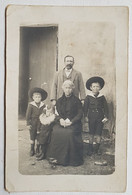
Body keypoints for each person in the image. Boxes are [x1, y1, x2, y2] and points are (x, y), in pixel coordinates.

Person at [47, 80, 84, 167]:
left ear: (72, 89)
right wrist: (60, 120)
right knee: (56, 131)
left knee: (69, 133)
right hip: (62, 122)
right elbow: (56, 114)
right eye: (66, 88)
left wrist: (72, 121)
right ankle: (55, 157)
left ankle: (69, 159)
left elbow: (80, 114)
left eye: (70, 88)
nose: (68, 90)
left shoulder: (77, 101)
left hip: (74, 123)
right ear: (63, 89)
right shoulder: (59, 101)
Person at [84, 76, 108, 156]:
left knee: (98, 133)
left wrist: (106, 117)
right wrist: (86, 116)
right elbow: (85, 108)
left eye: (97, 86)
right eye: (93, 86)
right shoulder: (88, 97)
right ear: (90, 88)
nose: (95, 88)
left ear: (100, 87)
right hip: (91, 117)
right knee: (91, 133)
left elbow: (106, 108)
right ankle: (90, 149)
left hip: (100, 117)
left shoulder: (102, 97)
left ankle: (97, 149)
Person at [26, 87, 47, 156]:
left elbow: (44, 114)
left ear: (41, 98)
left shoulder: (43, 105)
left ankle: (38, 148)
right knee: (32, 135)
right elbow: (28, 115)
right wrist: (28, 123)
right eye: (36, 97)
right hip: (33, 122)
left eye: (39, 97)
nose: (37, 98)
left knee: (39, 136)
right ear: (33, 98)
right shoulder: (31, 105)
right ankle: (32, 149)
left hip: (40, 123)